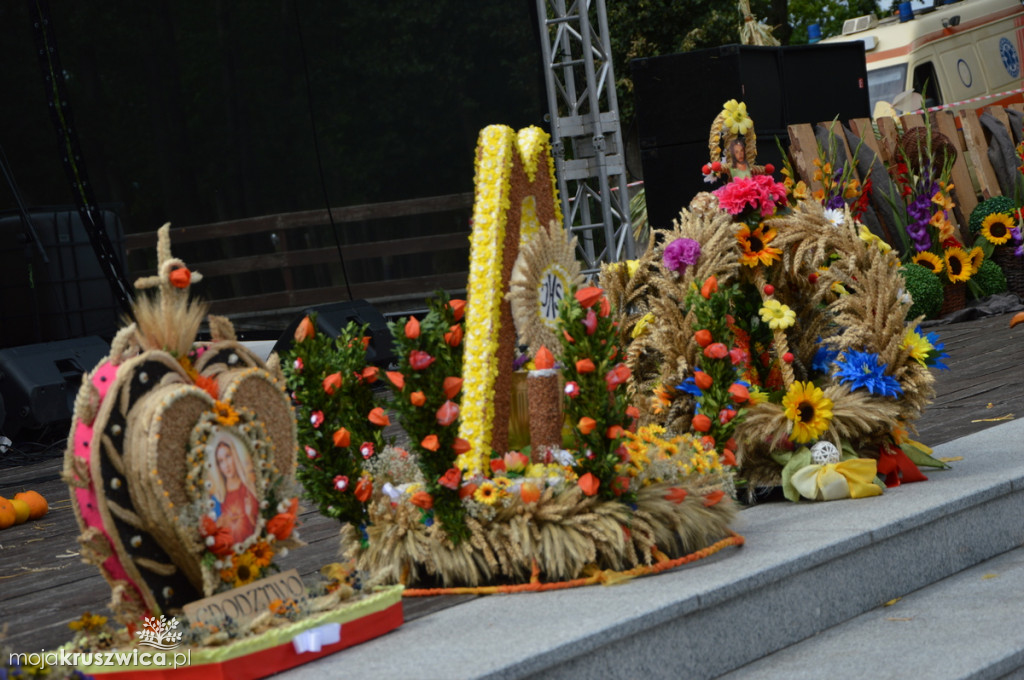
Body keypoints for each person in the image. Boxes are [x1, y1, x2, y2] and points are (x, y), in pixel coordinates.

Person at [210, 437, 259, 544]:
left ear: (234, 456)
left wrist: (250, 515)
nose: (226, 465)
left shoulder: (248, 489)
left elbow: (261, 529)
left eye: (228, 456)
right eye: (221, 461)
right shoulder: (218, 498)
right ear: (218, 467)